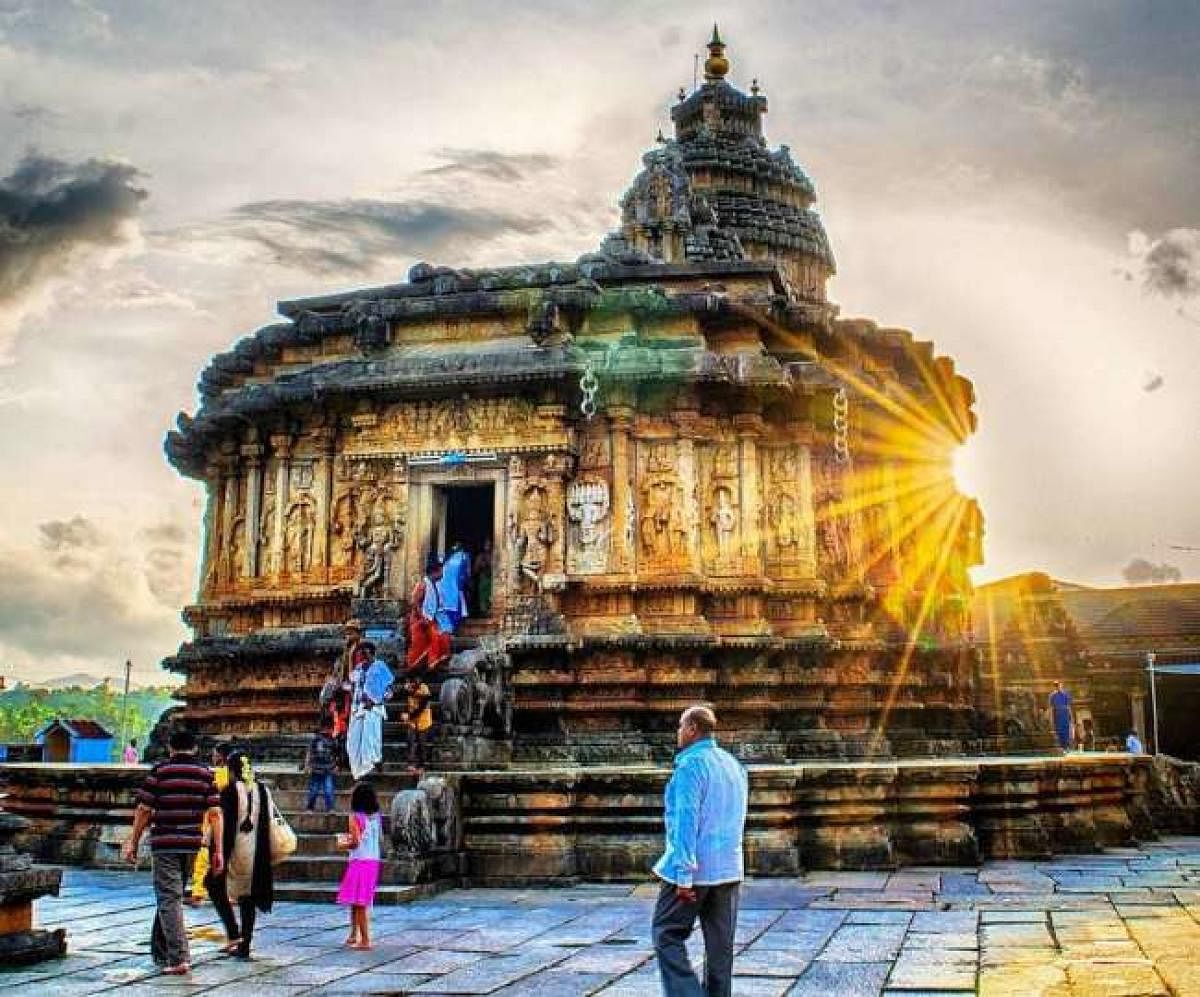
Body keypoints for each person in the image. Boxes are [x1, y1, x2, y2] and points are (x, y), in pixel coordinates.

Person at [652, 705, 748, 997]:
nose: (678, 732)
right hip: (729, 869)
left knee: (666, 934)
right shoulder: (733, 765)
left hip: (694, 871)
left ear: (693, 728)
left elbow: (685, 821)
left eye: (681, 726)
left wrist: (682, 874)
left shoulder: (691, 765)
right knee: (720, 948)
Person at [122, 730, 223, 976]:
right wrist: (217, 849)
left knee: (169, 898)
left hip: (165, 842)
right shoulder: (204, 774)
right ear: (195, 749)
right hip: (191, 843)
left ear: (170, 748)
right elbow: (215, 814)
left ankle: (179, 957)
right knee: (171, 895)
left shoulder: (160, 772)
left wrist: (132, 842)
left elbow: (144, 809)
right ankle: (161, 948)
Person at [214, 750, 274, 958]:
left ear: (232, 771)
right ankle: (244, 940)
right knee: (247, 897)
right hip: (257, 851)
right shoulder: (262, 790)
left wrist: (218, 850)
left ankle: (234, 932)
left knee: (213, 884)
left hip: (232, 849)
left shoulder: (230, 791)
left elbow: (224, 824)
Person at [337, 781, 383, 949]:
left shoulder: (355, 817)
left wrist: (342, 844)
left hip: (359, 861)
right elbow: (378, 839)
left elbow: (355, 842)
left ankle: (364, 940)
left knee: (359, 902)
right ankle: (353, 934)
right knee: (358, 900)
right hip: (373, 861)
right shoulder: (376, 817)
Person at [189, 742, 233, 910]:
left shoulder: (218, 775)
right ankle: (228, 894)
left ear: (221, 757)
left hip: (214, 820)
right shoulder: (239, 777)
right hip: (230, 821)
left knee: (203, 857)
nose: (213, 757)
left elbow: (213, 801)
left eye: (215, 754)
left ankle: (198, 893)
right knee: (227, 858)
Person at [346, 642, 395, 780]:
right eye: (361, 653)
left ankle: (375, 765)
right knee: (353, 741)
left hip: (373, 709)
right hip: (358, 708)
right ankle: (359, 770)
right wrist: (350, 656)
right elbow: (351, 680)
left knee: (371, 740)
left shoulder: (380, 667)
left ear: (372, 653)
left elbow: (389, 689)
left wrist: (375, 700)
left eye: (365, 652)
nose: (363, 655)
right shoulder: (359, 668)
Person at [407, 556, 452, 673]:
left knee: (438, 639)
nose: (442, 574)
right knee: (419, 645)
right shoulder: (422, 585)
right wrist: (421, 618)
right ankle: (415, 668)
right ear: (435, 571)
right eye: (441, 571)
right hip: (419, 620)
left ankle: (432, 664)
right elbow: (414, 603)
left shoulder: (433, 585)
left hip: (429, 619)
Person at [303, 718, 338, 812]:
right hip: (316, 768)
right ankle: (310, 807)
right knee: (314, 790)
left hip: (328, 768)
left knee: (328, 789)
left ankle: (330, 808)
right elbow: (309, 752)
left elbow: (335, 754)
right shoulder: (315, 739)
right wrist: (307, 765)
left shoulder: (333, 740)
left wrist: (335, 765)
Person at [402, 674, 434, 774]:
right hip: (412, 718)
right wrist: (406, 713)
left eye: (411, 682)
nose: (409, 684)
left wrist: (410, 716)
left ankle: (422, 765)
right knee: (410, 740)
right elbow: (406, 702)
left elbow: (422, 707)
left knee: (421, 742)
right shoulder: (408, 689)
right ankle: (411, 764)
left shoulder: (424, 689)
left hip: (423, 719)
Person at [437, 541, 471, 633]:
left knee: (448, 608)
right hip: (455, 586)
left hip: (445, 587)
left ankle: (449, 629)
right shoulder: (464, 556)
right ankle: (453, 629)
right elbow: (467, 572)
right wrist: (466, 582)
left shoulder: (447, 558)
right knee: (456, 607)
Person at [1049, 680, 1074, 750]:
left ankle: (1066, 746)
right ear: (1054, 687)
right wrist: (1051, 719)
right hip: (1057, 715)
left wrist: (1071, 717)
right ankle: (1061, 747)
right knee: (1059, 731)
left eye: (1059, 685)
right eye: (1056, 685)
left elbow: (1068, 706)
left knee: (1066, 730)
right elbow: (1051, 708)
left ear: (1061, 685)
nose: (1058, 687)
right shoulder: (1052, 696)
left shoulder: (1066, 695)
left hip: (1065, 714)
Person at [472, 538, 493, 616]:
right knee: (483, 596)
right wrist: (482, 566)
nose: (488, 546)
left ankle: (488, 611)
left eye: (489, 544)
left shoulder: (493, 555)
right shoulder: (481, 556)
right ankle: (484, 612)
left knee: (489, 596)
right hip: (483, 577)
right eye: (486, 544)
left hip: (492, 578)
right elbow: (475, 569)